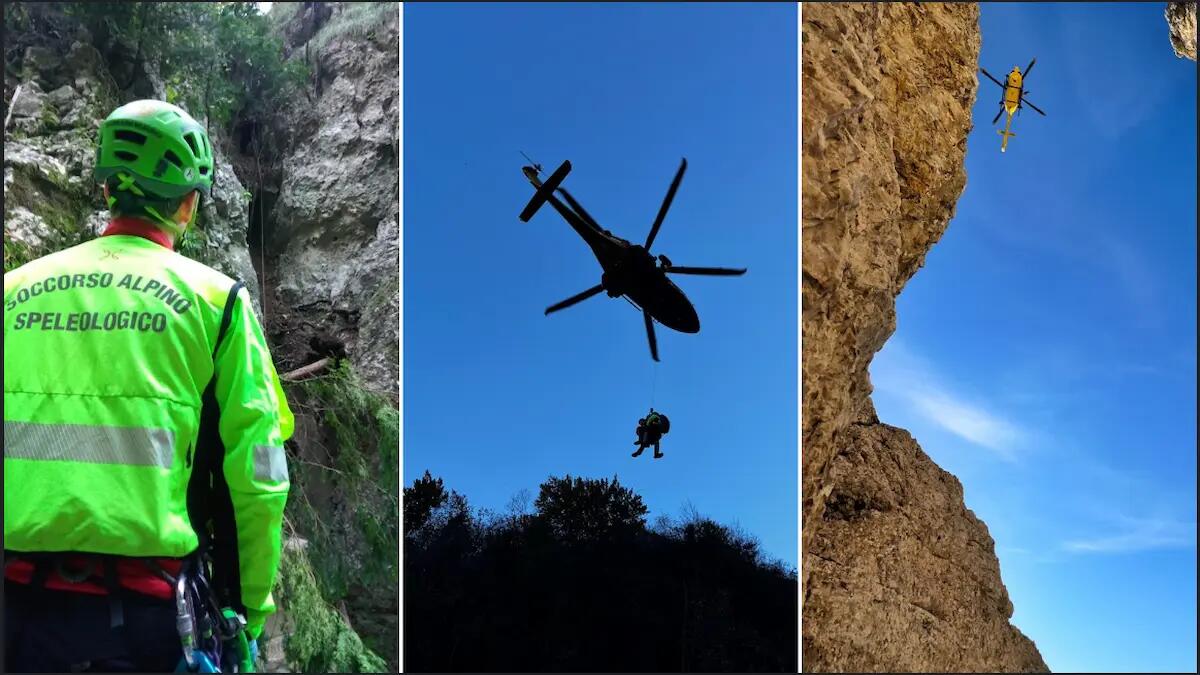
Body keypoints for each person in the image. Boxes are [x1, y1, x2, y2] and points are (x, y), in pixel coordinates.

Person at [3, 99, 292, 673]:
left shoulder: (12, 291)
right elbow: (257, 477)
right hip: (150, 624)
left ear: (109, 190)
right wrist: (246, 612)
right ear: (188, 205)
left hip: (15, 616)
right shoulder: (218, 304)